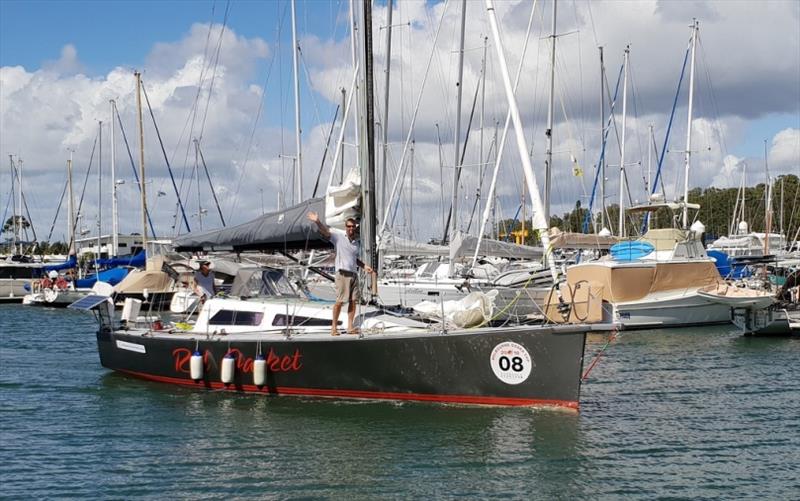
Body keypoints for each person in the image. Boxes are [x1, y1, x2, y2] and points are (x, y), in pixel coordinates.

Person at [307, 211, 374, 336]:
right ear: (346, 227)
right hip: (342, 274)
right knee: (340, 301)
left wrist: (365, 266)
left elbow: (354, 259)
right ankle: (333, 328)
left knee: (353, 301)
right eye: (348, 226)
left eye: (353, 226)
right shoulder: (338, 238)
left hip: (354, 274)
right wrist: (317, 221)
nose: (351, 229)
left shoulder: (356, 243)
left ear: (355, 228)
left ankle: (350, 327)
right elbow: (326, 232)